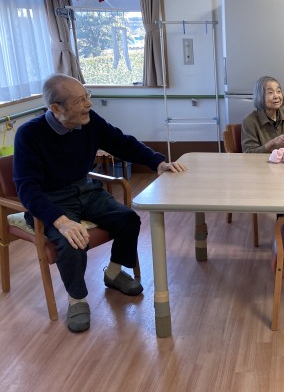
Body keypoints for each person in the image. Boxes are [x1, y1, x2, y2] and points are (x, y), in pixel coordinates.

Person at [13, 73, 187, 333]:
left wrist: (157, 162)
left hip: (84, 189)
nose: (89, 104)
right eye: (80, 100)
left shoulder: (89, 121)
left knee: (128, 219)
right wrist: (61, 221)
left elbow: (121, 142)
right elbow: (27, 188)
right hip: (50, 199)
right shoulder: (29, 134)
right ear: (56, 109)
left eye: (87, 96)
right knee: (72, 240)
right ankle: (77, 299)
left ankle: (113, 272)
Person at [241, 76, 284, 153]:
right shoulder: (249, 121)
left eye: (278, 91)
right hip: (261, 161)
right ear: (260, 96)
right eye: (270, 92)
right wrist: (272, 144)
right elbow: (248, 154)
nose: (276, 96)